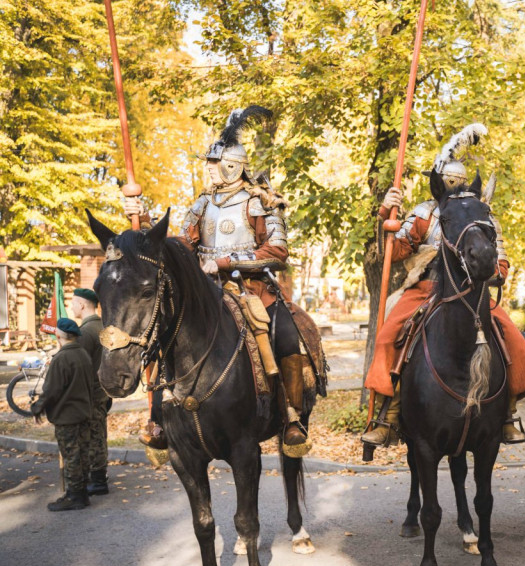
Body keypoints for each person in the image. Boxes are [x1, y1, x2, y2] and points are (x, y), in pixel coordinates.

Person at [124, 106, 314, 455]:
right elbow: (180, 245)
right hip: (204, 291)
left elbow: (277, 252)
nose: (207, 169)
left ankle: (291, 417)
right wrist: (146, 221)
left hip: (252, 289)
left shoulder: (261, 203)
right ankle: (157, 417)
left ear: (231, 165)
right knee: (161, 331)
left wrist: (226, 262)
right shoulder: (202, 204)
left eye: (212, 164)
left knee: (285, 332)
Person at [362, 123, 525, 447]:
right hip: (425, 289)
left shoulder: (481, 214)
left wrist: (494, 272)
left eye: (459, 181)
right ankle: (387, 415)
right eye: (450, 181)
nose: (455, 185)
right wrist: (386, 215)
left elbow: (500, 264)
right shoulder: (424, 214)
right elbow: (397, 251)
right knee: (389, 336)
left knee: (512, 336)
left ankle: (509, 412)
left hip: (473, 293)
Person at [31, 318, 97, 511]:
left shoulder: (61, 358)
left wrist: (37, 408)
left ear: (59, 335)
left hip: (67, 417)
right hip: (84, 413)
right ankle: (81, 493)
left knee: (71, 456)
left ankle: (75, 496)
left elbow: (51, 390)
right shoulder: (83, 354)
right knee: (83, 453)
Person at [69, 288, 110, 495]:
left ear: (82, 305)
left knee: (93, 436)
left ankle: (98, 480)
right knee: (99, 433)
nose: (71, 306)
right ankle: (99, 477)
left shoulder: (85, 332)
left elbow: (79, 366)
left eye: (73, 302)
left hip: (90, 391)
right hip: (102, 388)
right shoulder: (102, 326)